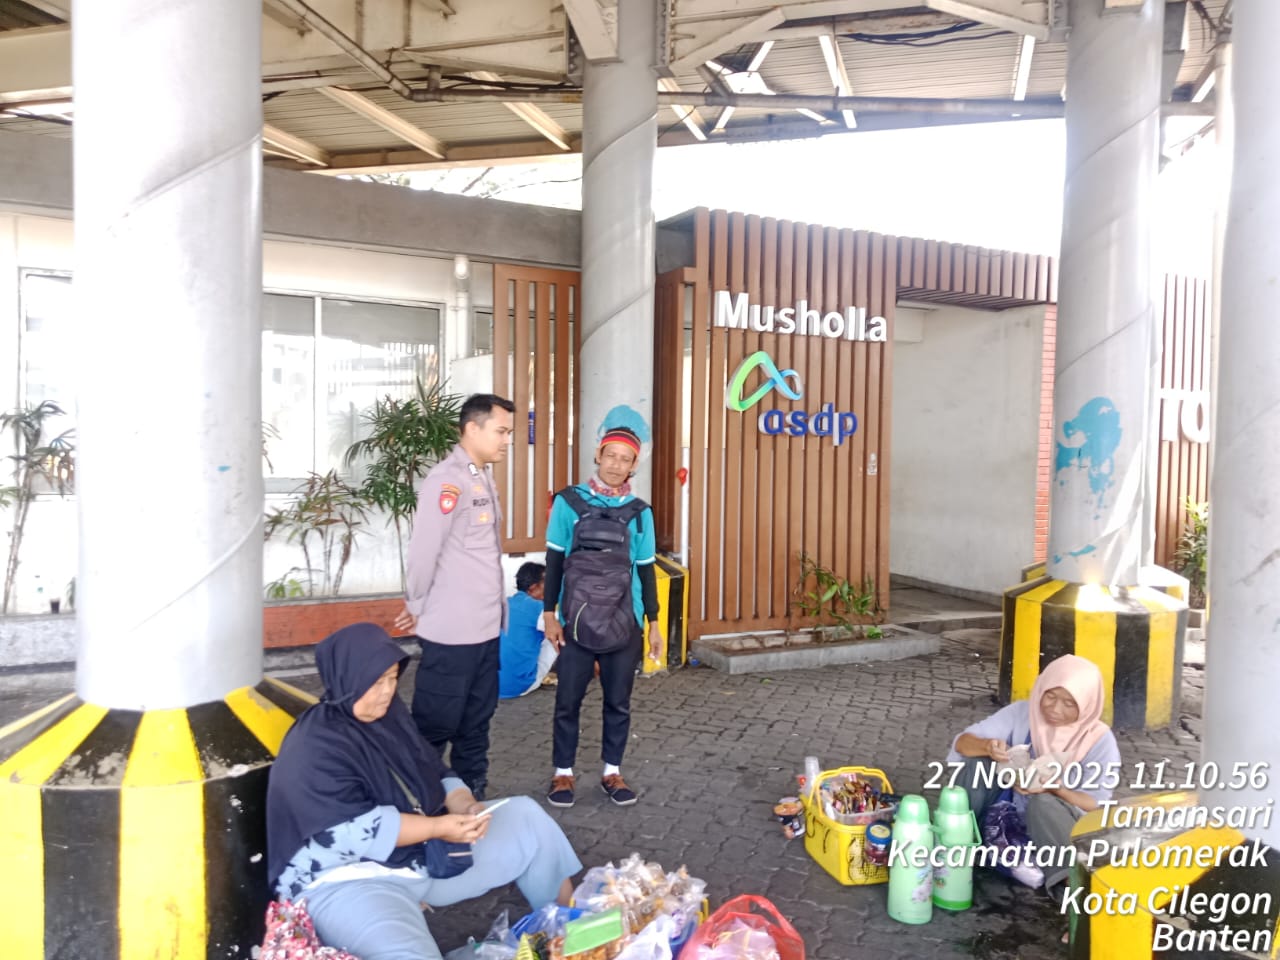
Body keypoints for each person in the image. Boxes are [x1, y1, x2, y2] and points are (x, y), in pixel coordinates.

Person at [266, 623, 582, 960]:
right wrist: (439, 827)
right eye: (376, 682)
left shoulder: (390, 717)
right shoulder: (315, 745)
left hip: (420, 858)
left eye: (392, 678)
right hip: (347, 881)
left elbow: (433, 770)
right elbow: (354, 832)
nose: (387, 691)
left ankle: (568, 935)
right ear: (346, 679)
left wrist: (464, 803)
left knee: (525, 817)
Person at [396, 393, 514, 801]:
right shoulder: (447, 480)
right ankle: (422, 800)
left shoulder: (481, 476)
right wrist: (416, 603)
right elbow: (424, 550)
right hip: (452, 631)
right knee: (435, 724)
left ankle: (471, 795)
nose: (507, 440)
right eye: (501, 431)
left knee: (477, 722)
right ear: (472, 428)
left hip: (484, 628)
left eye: (509, 432)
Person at [542, 425, 663, 809]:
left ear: (633, 465)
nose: (616, 465)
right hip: (574, 620)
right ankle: (563, 773)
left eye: (625, 459)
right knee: (567, 701)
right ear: (598, 455)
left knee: (618, 702)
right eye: (611, 455)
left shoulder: (641, 513)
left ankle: (612, 771)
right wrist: (549, 614)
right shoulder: (568, 502)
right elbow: (554, 561)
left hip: (624, 621)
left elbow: (646, 569)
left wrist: (653, 623)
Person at [946, 653, 1121, 891]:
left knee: (1043, 802)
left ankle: (1071, 884)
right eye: (1050, 696)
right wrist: (987, 747)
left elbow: (1095, 803)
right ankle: (956, 843)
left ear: (1088, 704)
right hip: (1006, 814)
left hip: (1057, 829)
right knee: (978, 765)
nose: (1055, 709)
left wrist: (1056, 789)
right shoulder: (1022, 713)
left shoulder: (1099, 740)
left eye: (1069, 704)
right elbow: (962, 743)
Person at [498, 561, 558, 698]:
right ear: (533, 588)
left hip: (489, 685)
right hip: (518, 686)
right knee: (557, 634)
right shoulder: (539, 608)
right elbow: (560, 633)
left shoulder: (503, 603)